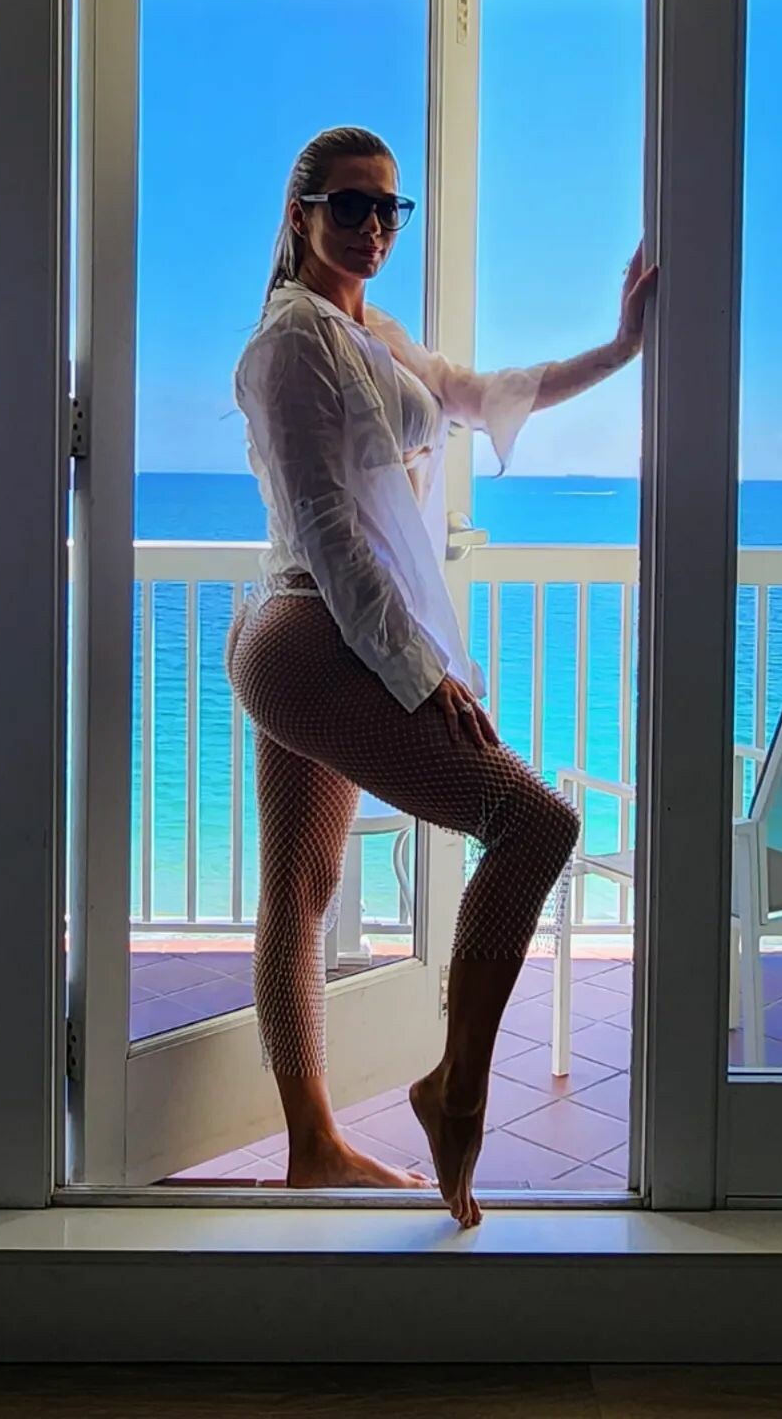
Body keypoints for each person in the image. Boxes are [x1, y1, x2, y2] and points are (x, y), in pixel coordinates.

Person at [225, 126, 656, 1227]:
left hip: (329, 636)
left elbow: (478, 391)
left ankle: (314, 1150)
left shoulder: (373, 335)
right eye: (350, 205)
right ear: (300, 214)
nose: (374, 226)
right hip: (311, 631)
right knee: (535, 824)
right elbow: (331, 533)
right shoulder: (290, 345)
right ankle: (455, 1092)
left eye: (388, 208)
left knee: (301, 889)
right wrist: (423, 675)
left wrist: (620, 350)